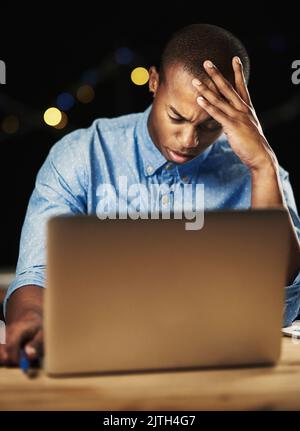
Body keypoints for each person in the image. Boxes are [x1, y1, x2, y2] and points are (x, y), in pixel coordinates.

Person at [1, 23, 299, 366]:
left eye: (209, 126)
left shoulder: (260, 172)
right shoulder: (82, 155)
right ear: (154, 82)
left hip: (218, 366)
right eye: (177, 116)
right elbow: (36, 273)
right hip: (96, 361)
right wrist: (32, 319)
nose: (189, 140)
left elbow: (280, 298)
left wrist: (263, 166)